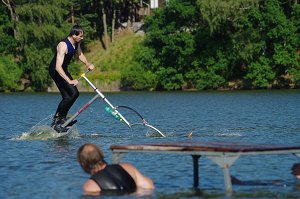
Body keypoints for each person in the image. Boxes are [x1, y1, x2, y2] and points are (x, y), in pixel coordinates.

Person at [49, 25, 94, 131]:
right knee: (70, 95)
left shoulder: (76, 43)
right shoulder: (63, 45)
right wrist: (69, 80)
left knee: (73, 94)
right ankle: (56, 120)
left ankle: (62, 119)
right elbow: (58, 67)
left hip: (63, 69)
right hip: (56, 70)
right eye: (80, 36)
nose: (82, 38)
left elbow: (79, 54)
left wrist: (87, 64)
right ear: (74, 35)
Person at [77, 143, 155, 195]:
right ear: (101, 155)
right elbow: (149, 186)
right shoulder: (128, 167)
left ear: (83, 164)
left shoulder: (89, 186)